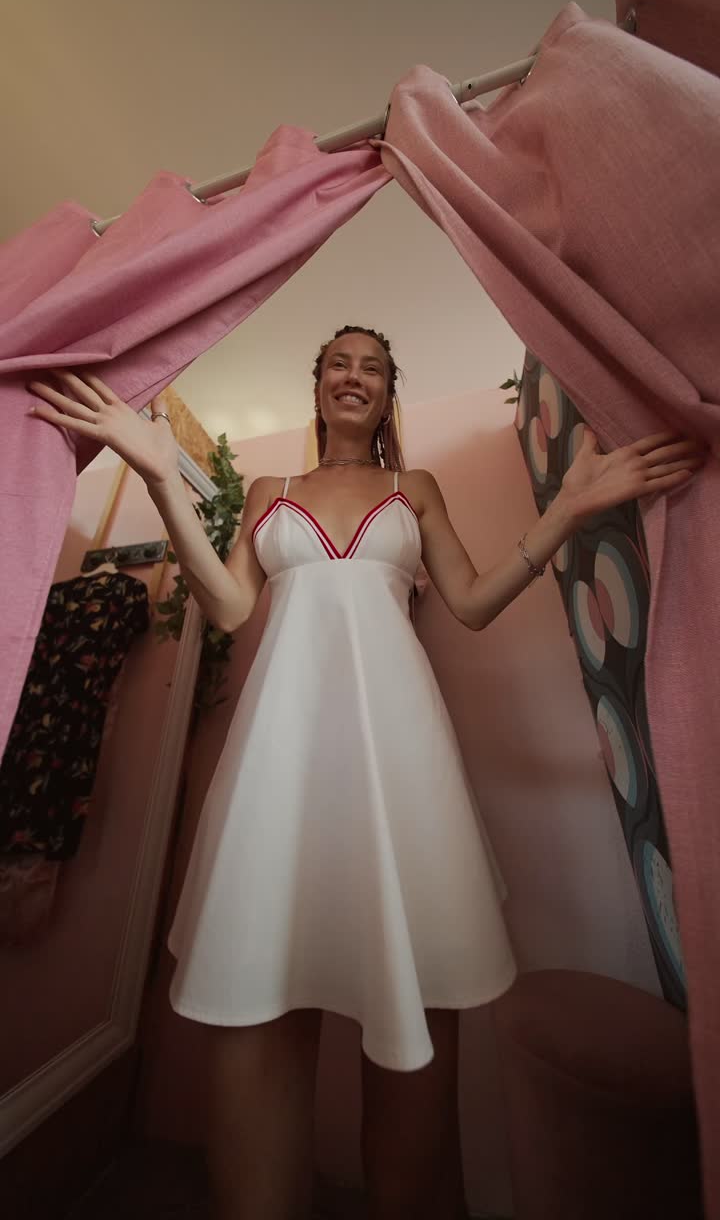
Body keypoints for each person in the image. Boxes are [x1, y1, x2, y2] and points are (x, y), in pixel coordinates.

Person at [28, 327, 705, 1220]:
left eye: (374, 367)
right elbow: (230, 608)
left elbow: (468, 603)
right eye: (340, 362)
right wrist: (159, 473)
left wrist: (568, 511)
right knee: (262, 1018)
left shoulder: (409, 490)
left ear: (389, 394)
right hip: (280, 768)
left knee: (415, 1074)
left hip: (401, 768)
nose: (356, 375)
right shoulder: (269, 492)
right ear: (318, 386)